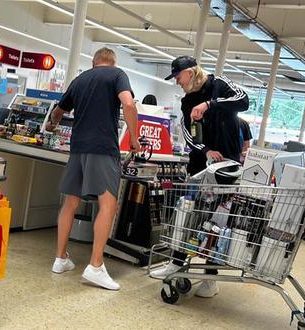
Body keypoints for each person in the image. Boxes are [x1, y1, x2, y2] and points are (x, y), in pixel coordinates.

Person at [149, 56, 248, 298]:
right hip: (199, 168)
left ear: (191, 72)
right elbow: (187, 132)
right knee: (188, 214)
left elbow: (243, 101)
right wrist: (205, 150)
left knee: (216, 223)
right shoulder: (186, 101)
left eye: (178, 77)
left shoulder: (220, 85)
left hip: (227, 167)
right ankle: (176, 261)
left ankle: (210, 278)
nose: (177, 82)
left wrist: (209, 104)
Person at [47, 47, 141, 291]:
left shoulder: (80, 79)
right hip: (102, 148)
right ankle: (96, 266)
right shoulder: (117, 74)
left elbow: (58, 111)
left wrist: (52, 125)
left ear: (94, 62)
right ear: (112, 62)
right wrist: (134, 137)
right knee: (108, 205)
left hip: (77, 148)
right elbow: (129, 104)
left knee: (70, 203)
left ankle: (60, 259)